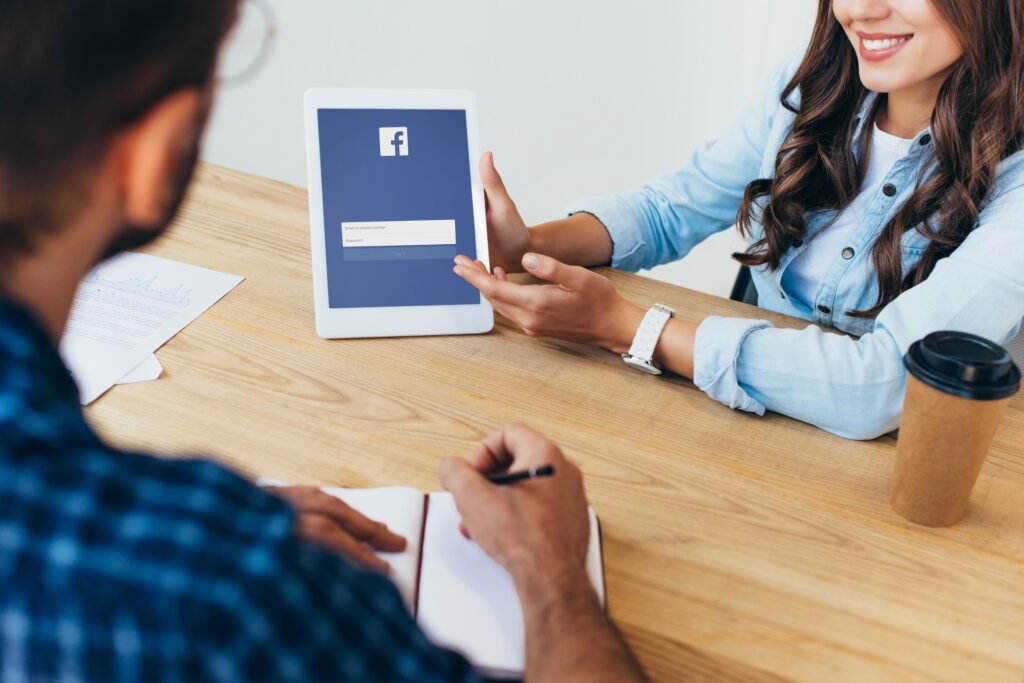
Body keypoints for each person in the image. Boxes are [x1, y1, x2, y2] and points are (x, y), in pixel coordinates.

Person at [0, 1, 647, 680]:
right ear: (153, 156)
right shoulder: (234, 592)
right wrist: (553, 574)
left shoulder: (198, 565)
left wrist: (196, 533)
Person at [454, 0, 1024, 440]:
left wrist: (628, 328)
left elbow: (884, 386)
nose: (862, 10)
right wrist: (528, 246)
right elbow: (669, 208)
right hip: (739, 423)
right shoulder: (810, 88)